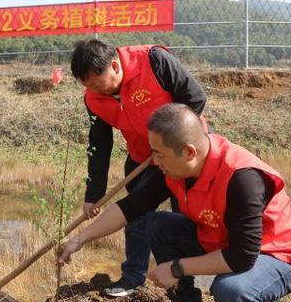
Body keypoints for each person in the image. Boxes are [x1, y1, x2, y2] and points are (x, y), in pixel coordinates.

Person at [58, 104, 291, 302]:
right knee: (157, 224)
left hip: (277, 254)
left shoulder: (241, 178)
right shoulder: (173, 169)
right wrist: (79, 239)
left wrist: (177, 268)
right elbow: (130, 207)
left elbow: (242, 257)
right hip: (224, 238)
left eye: (159, 154)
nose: (155, 162)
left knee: (231, 290)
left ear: (189, 152)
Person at [69, 39, 207, 297]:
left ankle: (185, 284)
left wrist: (169, 145)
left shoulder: (154, 61)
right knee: (135, 216)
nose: (93, 90)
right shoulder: (93, 99)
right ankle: (133, 277)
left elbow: (195, 98)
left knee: (183, 219)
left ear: (113, 66)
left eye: (96, 83)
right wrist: (93, 193)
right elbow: (99, 144)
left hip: (181, 155)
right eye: (86, 85)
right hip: (141, 158)